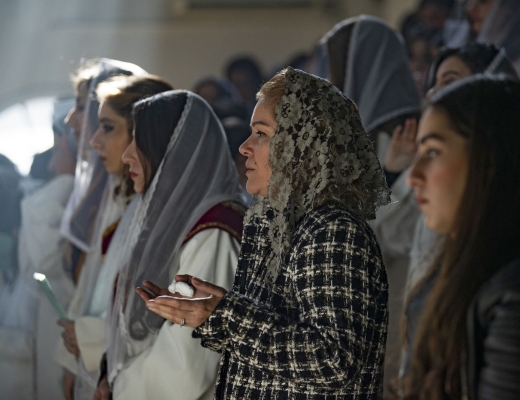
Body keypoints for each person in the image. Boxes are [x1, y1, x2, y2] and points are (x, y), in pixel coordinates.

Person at [141, 67, 391, 398]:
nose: (245, 147)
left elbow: (334, 361)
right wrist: (209, 313)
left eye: (261, 133)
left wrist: (227, 314)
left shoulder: (332, 231)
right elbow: (269, 344)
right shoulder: (278, 224)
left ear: (302, 146)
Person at [94, 90, 245, 400]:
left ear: (174, 151)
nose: (127, 155)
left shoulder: (214, 230)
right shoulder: (176, 224)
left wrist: (119, 388)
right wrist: (108, 374)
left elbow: (185, 366)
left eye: (141, 142)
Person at [319, 15, 422, 393]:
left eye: (338, 67)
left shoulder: (406, 132)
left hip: (393, 287)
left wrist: (392, 175)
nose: (331, 80)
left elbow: (395, 235)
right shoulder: (347, 135)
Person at [402, 75, 520, 399]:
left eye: (433, 152)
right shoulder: (448, 271)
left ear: (490, 159)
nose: (413, 177)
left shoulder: (510, 296)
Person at [57, 74, 173, 400]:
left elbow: (152, 311)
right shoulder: (129, 201)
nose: (94, 141)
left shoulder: (160, 213)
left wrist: (92, 339)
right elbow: (99, 285)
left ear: (144, 134)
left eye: (108, 127)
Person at [406, 42, 518, 293]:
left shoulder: (507, 289)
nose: (412, 178)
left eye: (433, 152)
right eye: (434, 83)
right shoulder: (451, 263)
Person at [0, 99, 76, 400]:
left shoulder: (62, 195)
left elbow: (43, 263)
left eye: (59, 151)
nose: (53, 165)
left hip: (51, 329)